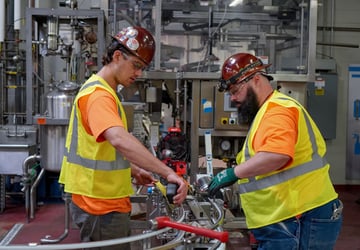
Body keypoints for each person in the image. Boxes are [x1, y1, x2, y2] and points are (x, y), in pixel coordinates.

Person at [59, 26, 188, 250]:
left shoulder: (105, 92)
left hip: (105, 201)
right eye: (136, 65)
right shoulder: (98, 96)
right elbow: (118, 139)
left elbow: (100, 150)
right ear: (117, 56)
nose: (138, 74)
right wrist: (167, 172)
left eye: (142, 68)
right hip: (99, 206)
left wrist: (133, 170)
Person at [208, 53, 343, 249]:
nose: (234, 98)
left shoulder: (278, 110)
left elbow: (277, 155)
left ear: (255, 79)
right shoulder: (267, 110)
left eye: (236, 90)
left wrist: (232, 173)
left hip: (299, 217)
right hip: (289, 216)